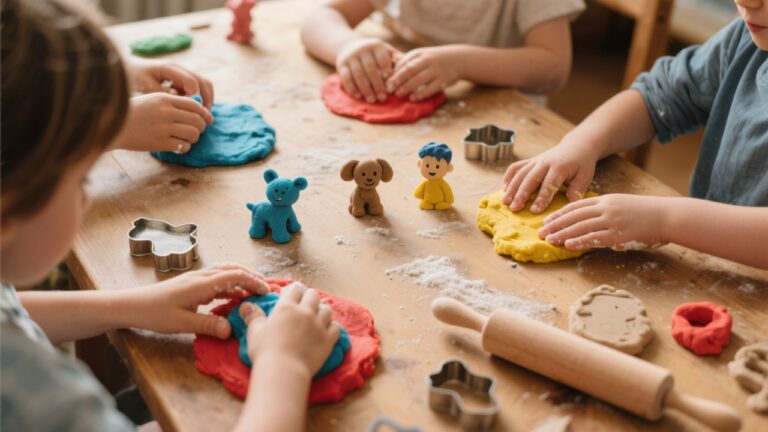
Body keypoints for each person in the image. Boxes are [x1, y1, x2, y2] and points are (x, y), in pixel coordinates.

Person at [0, 1, 340, 431]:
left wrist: (129, 306)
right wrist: (284, 367)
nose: (85, 198)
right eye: (82, 179)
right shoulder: (29, 394)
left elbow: (11, 310)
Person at [501, 0, 768, 270]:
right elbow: (658, 96)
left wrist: (664, 220)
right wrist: (581, 144)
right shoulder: (745, 38)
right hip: (709, 265)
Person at [300, 0, 584, 103]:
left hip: (503, 120)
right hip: (418, 107)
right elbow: (319, 18)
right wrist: (346, 45)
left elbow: (553, 68)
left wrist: (461, 63)